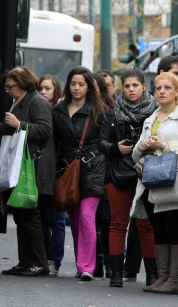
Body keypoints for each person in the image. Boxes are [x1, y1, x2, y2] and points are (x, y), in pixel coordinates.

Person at [133, 72, 178, 295]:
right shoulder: (151, 118)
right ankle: (163, 278)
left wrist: (163, 144)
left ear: (176, 92)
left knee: (174, 229)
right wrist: (142, 146)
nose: (161, 91)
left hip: (171, 181)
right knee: (158, 229)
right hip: (150, 181)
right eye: (158, 88)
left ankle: (175, 280)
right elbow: (135, 154)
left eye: (167, 88)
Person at [97, 67, 158, 287]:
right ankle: (115, 273)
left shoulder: (155, 111)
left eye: (135, 85)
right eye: (128, 86)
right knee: (118, 222)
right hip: (117, 173)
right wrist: (116, 148)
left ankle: (151, 274)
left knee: (145, 224)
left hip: (146, 172)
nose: (131, 90)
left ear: (143, 86)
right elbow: (101, 142)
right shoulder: (113, 112)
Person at [0, 66, 56, 277]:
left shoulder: (37, 101)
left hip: (33, 168)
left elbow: (46, 130)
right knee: (22, 216)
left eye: (10, 87)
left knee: (30, 216)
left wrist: (20, 124)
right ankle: (25, 262)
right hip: (22, 166)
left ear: (22, 84)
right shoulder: (22, 100)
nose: (8, 91)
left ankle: (39, 263)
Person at [53, 66, 108, 281]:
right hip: (68, 170)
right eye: (73, 83)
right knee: (75, 220)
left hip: (93, 168)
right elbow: (55, 141)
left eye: (81, 84)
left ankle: (87, 266)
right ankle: (81, 264)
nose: (76, 88)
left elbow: (105, 140)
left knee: (86, 216)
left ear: (88, 87)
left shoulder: (98, 110)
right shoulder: (58, 110)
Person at [37, 74, 66, 276]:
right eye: (41, 88)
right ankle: (45, 258)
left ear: (56, 90)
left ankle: (54, 259)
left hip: (58, 171)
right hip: (42, 172)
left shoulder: (59, 112)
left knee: (56, 219)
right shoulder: (41, 109)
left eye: (47, 88)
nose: (43, 92)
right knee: (43, 218)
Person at [92, 73, 114, 279]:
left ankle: (108, 260)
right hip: (90, 170)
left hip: (108, 169)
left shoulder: (112, 111)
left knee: (106, 218)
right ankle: (96, 261)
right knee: (92, 218)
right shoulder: (84, 109)